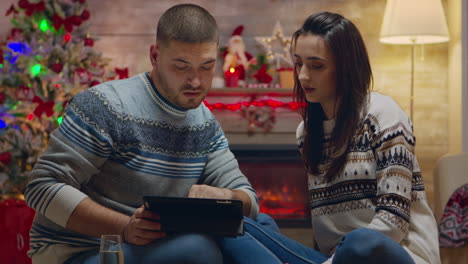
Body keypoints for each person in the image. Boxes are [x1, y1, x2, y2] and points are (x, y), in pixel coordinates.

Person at [24, 4, 259, 264]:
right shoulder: (107, 106)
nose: (196, 81)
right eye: (182, 67)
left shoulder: (205, 124)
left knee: (259, 226)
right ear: (155, 56)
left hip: (159, 246)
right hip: (79, 251)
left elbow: (249, 200)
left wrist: (229, 197)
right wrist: (124, 227)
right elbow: (41, 186)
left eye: (206, 67)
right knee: (198, 249)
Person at [219, 11, 440, 264]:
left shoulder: (384, 115)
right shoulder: (306, 132)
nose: (302, 76)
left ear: (345, 68)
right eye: (299, 63)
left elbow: (393, 221)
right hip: (333, 259)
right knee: (237, 226)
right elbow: (327, 232)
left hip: (394, 254)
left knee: (360, 241)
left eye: (316, 66)